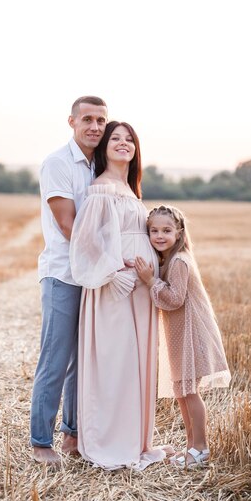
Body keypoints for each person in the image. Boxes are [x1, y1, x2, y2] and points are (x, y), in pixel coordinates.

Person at [69, 121, 171, 470]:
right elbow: (86, 241)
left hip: (141, 291)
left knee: (136, 364)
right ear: (104, 148)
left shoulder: (129, 189)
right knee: (116, 363)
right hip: (118, 288)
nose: (124, 143)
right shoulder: (101, 189)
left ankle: (136, 440)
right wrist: (114, 272)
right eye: (116, 138)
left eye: (129, 139)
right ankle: (111, 442)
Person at [30, 95, 108, 465]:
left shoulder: (101, 168)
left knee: (84, 361)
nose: (95, 127)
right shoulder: (58, 163)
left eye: (101, 121)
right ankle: (40, 443)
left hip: (93, 279)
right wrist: (110, 263)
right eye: (88, 119)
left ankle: (73, 438)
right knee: (56, 359)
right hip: (63, 274)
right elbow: (67, 226)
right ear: (72, 122)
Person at [134, 205, 231, 468]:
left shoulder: (178, 261)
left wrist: (150, 280)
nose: (159, 235)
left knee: (190, 392)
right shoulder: (170, 259)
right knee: (182, 391)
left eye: (166, 230)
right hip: (180, 334)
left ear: (179, 232)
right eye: (153, 230)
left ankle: (200, 447)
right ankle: (191, 447)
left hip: (192, 333)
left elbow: (175, 299)